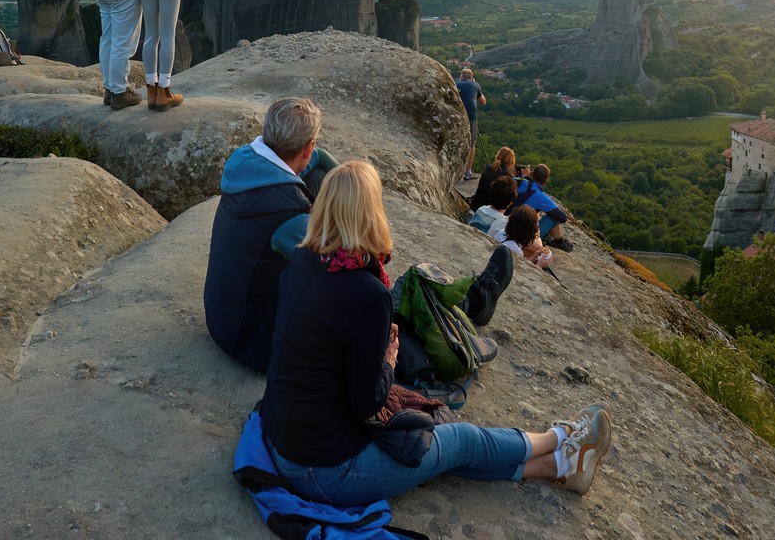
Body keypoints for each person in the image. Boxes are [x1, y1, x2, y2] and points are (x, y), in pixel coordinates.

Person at [259, 160, 613, 504]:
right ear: (371, 214)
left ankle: (560, 464)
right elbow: (367, 401)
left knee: (444, 454)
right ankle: (562, 436)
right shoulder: (366, 295)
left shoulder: (304, 259)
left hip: (284, 437)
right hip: (326, 470)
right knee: (460, 440)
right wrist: (387, 359)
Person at [203, 96, 338, 373]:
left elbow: (319, 159)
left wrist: (343, 179)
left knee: (318, 176)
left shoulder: (246, 163)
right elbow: (338, 263)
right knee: (352, 291)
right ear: (307, 146)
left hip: (223, 318)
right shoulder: (288, 215)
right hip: (254, 344)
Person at [513, 163, 572, 248]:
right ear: (545, 182)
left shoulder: (518, 180)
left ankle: (555, 240)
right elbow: (563, 218)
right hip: (521, 234)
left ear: (532, 173)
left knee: (534, 211)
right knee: (552, 218)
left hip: (506, 221)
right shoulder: (540, 196)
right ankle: (560, 242)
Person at [497, 204, 553, 270]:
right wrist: (539, 266)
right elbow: (517, 271)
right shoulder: (516, 250)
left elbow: (520, 264)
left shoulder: (501, 233)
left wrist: (535, 256)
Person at [455, 68, 486, 180]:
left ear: (461, 77)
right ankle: (468, 172)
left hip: (457, 115)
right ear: (472, 77)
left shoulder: (455, 83)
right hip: (471, 116)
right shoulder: (475, 84)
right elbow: (483, 102)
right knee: (471, 143)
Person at [468, 146, 517, 211]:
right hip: (491, 212)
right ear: (511, 162)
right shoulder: (508, 180)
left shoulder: (488, 168)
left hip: (476, 207)